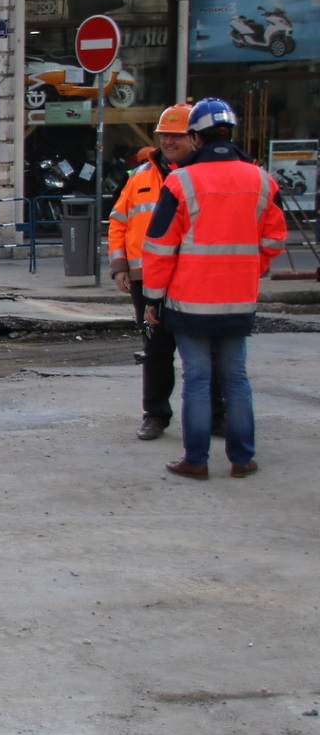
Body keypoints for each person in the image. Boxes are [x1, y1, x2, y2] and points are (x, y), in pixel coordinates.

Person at [141, 98, 286, 480]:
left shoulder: (182, 180)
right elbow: (274, 239)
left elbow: (158, 246)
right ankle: (242, 459)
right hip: (239, 299)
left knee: (198, 378)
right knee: (236, 377)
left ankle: (197, 460)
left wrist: (154, 297)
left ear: (196, 136)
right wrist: (251, 270)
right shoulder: (260, 179)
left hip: (191, 302)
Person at [109, 103, 224, 441]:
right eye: (164, 135)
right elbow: (119, 222)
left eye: (176, 135)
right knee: (156, 349)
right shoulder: (140, 177)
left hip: (191, 277)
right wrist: (119, 267)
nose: (169, 141)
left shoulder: (203, 176)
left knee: (206, 349)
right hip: (145, 279)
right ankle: (155, 415)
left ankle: (216, 416)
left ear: (195, 137)